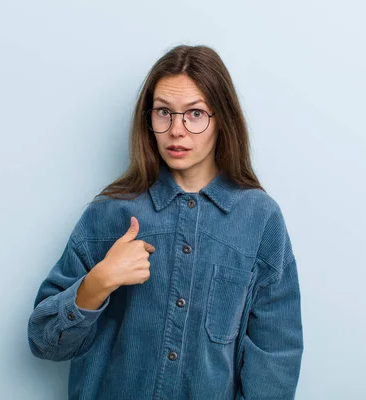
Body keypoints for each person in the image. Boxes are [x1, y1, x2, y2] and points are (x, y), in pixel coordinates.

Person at [27, 44, 303, 400]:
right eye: (163, 113)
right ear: (149, 119)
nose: (177, 130)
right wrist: (99, 282)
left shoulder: (260, 219)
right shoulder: (109, 213)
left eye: (195, 114)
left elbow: (276, 354)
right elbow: (44, 342)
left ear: (223, 120)